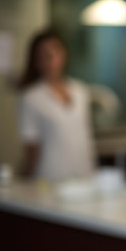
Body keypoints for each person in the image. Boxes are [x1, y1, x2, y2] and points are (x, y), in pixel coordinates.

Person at [17, 28, 95, 181]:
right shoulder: (31, 98)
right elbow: (31, 146)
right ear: (36, 60)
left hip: (84, 176)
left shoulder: (80, 91)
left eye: (56, 49)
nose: (51, 56)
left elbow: (86, 139)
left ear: (64, 53)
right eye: (44, 53)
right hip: (51, 178)